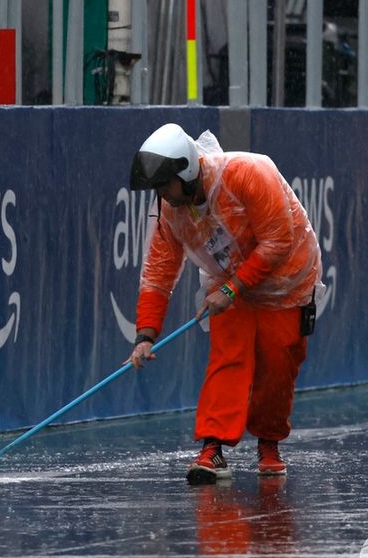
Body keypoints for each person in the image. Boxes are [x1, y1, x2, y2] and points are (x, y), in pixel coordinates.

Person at [126, 123, 324, 485]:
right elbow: (158, 274)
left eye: (165, 185)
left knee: (278, 364)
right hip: (230, 283)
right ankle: (212, 447)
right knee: (227, 357)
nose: (162, 195)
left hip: (286, 279)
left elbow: (278, 241)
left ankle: (269, 442)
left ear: (186, 172)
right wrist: (145, 335)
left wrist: (232, 290)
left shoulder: (249, 174)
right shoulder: (171, 211)